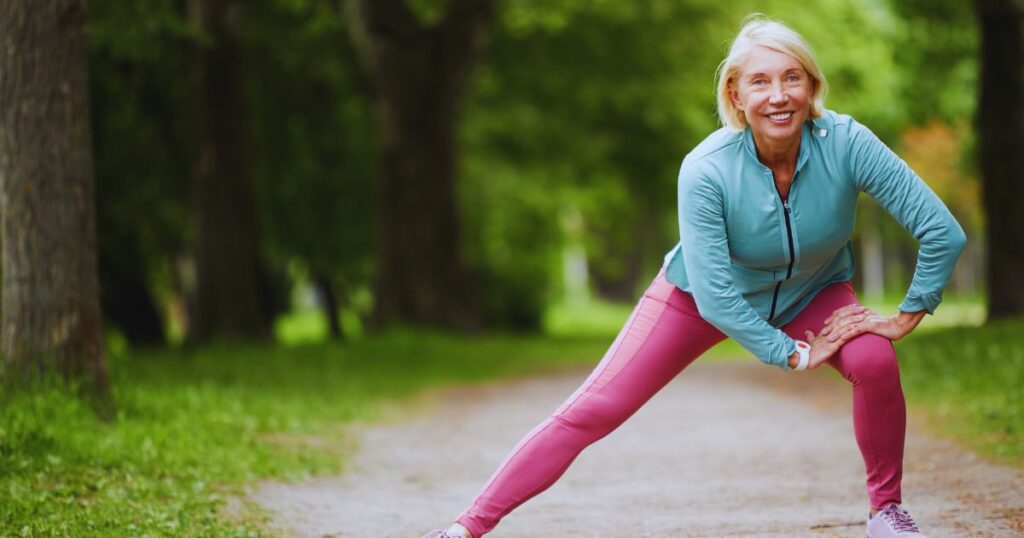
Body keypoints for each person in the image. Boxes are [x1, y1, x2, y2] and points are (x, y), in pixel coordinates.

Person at [423, 15, 965, 538]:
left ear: (811, 86)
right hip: (699, 296)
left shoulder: (847, 143)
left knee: (873, 358)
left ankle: (887, 514)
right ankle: (465, 527)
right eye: (760, 82)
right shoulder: (706, 169)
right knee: (597, 407)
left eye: (792, 78)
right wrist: (791, 354)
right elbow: (716, 295)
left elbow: (942, 231)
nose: (778, 96)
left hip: (814, 290)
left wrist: (905, 315)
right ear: (736, 96)